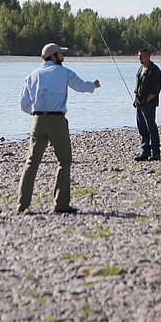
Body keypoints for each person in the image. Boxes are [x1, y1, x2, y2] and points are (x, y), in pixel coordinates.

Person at [17, 42, 100, 214]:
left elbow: (24, 105)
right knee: (64, 161)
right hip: (57, 121)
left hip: (37, 120)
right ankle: (61, 204)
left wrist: (37, 114)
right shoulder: (64, 72)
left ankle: (22, 205)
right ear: (53, 56)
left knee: (32, 162)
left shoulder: (32, 75)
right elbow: (80, 86)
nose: (63, 57)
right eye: (61, 54)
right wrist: (93, 85)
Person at [133, 48, 161, 161]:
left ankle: (156, 153)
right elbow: (137, 87)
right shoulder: (140, 69)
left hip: (149, 104)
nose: (140, 58)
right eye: (139, 56)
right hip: (139, 103)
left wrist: (147, 100)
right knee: (142, 128)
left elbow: (156, 88)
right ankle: (145, 152)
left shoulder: (154, 70)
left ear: (148, 56)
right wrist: (135, 99)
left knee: (151, 128)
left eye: (142, 56)